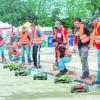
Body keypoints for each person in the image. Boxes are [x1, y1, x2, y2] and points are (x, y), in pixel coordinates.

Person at [90, 17, 100, 83]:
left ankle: (98, 80)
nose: (92, 22)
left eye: (93, 21)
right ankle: (98, 80)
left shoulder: (99, 26)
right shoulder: (96, 27)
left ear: (96, 20)